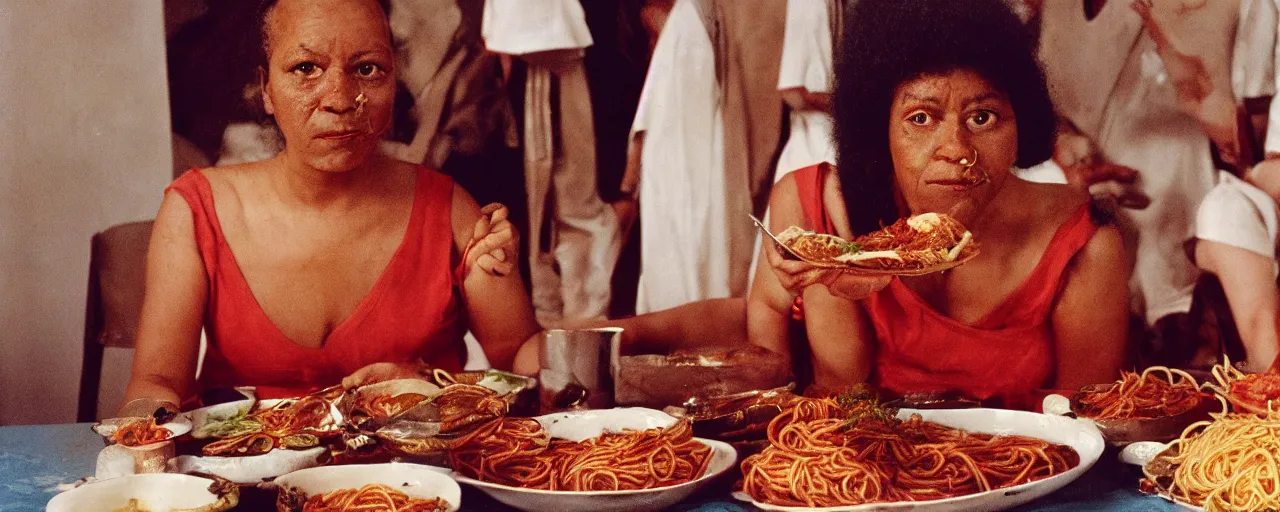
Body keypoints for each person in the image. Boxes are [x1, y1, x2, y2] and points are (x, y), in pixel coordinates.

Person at [119, 0, 539, 417]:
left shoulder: (449, 210)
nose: (339, 99)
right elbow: (157, 382)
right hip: (239, 478)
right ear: (266, 89)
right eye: (305, 69)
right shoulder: (196, 211)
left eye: (367, 69)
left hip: (417, 478)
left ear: (393, 82)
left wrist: (432, 385)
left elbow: (522, 362)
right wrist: (147, 444)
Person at [751, 0, 1131, 407]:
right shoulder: (815, 208)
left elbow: (1085, 427)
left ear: (1021, 124)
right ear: (880, 128)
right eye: (921, 118)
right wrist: (831, 282)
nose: (956, 149)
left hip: (1031, 466)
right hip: (860, 462)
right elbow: (834, 381)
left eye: (982, 118)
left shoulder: (1084, 244)